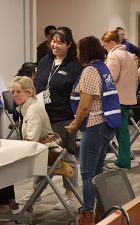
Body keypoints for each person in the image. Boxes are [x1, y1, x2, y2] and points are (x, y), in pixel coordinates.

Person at [66, 36, 119, 225]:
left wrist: (75, 122)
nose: (77, 53)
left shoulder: (89, 71)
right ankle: (99, 212)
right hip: (108, 125)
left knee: (88, 173)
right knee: (97, 172)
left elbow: (85, 105)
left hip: (95, 125)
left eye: (79, 49)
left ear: (85, 51)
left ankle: (88, 215)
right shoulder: (103, 68)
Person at [35, 26, 83, 210]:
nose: (55, 45)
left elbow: (77, 94)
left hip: (64, 117)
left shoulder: (75, 66)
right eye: (53, 41)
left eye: (60, 42)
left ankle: (70, 194)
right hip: (43, 115)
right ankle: (36, 192)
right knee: (41, 155)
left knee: (67, 155)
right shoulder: (46, 60)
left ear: (69, 44)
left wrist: (75, 119)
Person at [0, 76, 54, 213]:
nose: (14, 95)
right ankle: (9, 202)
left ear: (29, 93)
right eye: (13, 92)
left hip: (47, 153)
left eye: (18, 92)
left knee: (0, 165)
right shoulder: (26, 108)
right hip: (41, 150)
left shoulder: (33, 109)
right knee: (2, 162)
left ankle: (5, 204)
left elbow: (31, 141)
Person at [102, 30, 139, 170]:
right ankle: (124, 159)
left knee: (118, 130)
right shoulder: (129, 55)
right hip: (128, 97)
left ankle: (123, 161)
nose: (104, 48)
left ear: (111, 43)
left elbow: (110, 78)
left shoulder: (114, 56)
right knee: (122, 130)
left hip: (117, 98)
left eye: (105, 45)